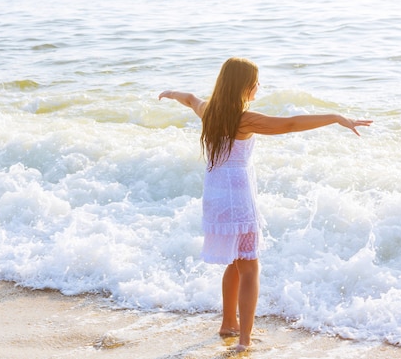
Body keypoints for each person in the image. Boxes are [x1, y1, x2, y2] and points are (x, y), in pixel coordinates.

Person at [159, 57, 372, 352]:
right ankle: (244, 340)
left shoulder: (209, 111)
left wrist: (171, 93)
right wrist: (335, 117)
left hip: (215, 198)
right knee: (249, 268)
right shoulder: (244, 119)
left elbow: (191, 99)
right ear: (244, 86)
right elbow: (291, 124)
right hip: (238, 200)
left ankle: (228, 323)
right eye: (256, 82)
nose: (259, 86)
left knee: (236, 264)